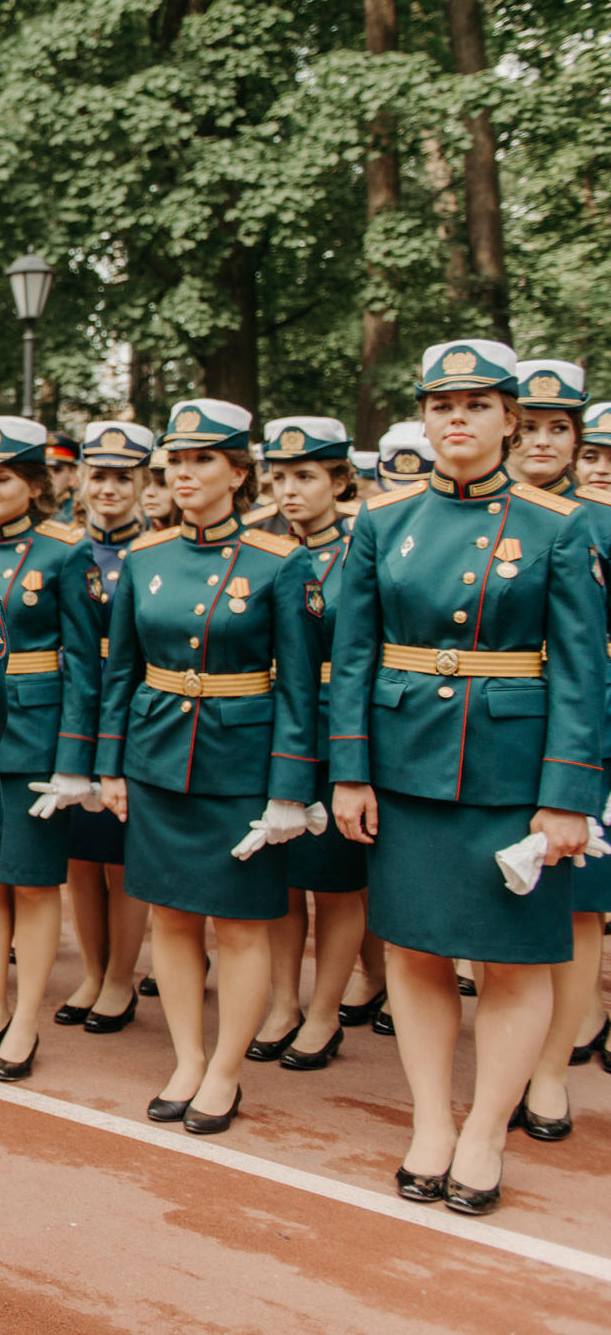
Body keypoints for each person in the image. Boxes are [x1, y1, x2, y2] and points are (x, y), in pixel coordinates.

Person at [330, 339, 607, 1212]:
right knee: (412, 951)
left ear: (510, 420)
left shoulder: (556, 524)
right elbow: (353, 655)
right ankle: (431, 1124)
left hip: (512, 777)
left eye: (478, 405)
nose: (457, 419)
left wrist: (568, 795)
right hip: (406, 768)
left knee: (512, 964)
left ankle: (486, 1129)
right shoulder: (382, 518)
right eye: (442, 405)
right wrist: (349, 772)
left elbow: (580, 668)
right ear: (423, 416)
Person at [97, 397, 321, 1137]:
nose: (184, 473)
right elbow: (120, 673)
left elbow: (299, 682)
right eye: (177, 461)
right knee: (172, 916)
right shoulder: (147, 557)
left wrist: (291, 786)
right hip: (159, 759)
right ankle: (188, 1057)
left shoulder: (280, 563)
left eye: (202, 461)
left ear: (239, 472)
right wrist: (112, 766)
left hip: (242, 764)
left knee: (245, 922)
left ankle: (226, 1069)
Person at [0, 416, 103, 1084]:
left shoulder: (65, 552)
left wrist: (73, 762)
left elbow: (86, 666)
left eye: (1, 477)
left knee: (34, 887)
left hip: (35, 740)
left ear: (34, 485)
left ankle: (27, 1018)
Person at [504, 361, 611, 1139]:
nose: (543, 441)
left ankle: (548, 1072)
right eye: (531, 424)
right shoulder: (489, 514)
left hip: (584, 735)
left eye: (559, 427)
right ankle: (506, 1065)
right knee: (501, 913)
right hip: (500, 740)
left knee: (575, 910)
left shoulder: (597, 520)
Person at [247, 416, 370, 1073]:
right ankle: (282, 1002)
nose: (290, 490)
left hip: (337, 726)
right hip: (275, 726)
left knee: (336, 883)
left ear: (340, 480)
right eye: (281, 477)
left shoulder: (360, 554)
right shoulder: (263, 552)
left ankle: (325, 1011)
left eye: (307, 476)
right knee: (283, 877)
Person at [58, 420, 156, 1029]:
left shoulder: (158, 551)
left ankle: (121, 976)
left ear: (145, 483)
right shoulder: (67, 550)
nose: (110, 488)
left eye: (124, 477)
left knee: (122, 859)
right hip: (70, 710)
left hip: (134, 714)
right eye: (100, 476)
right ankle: (93, 972)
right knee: (79, 857)